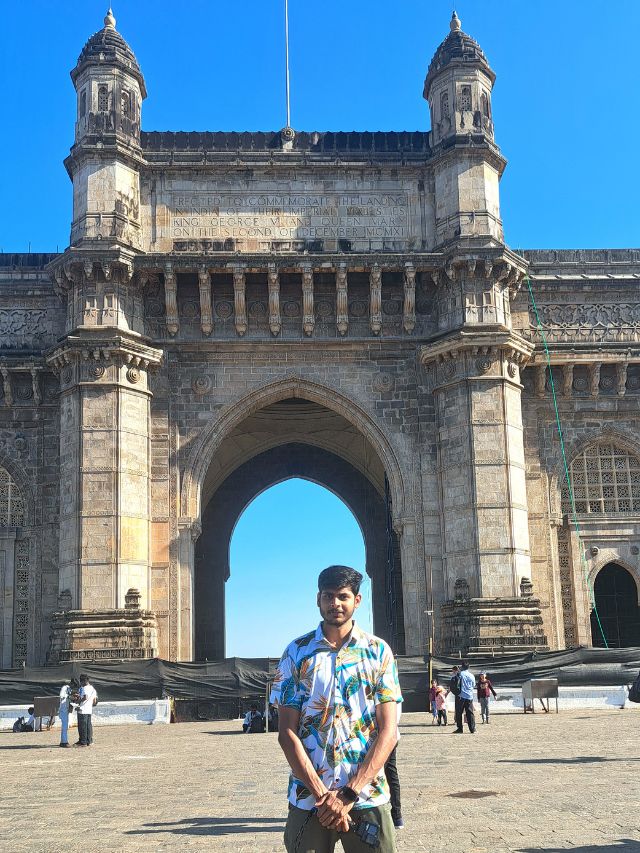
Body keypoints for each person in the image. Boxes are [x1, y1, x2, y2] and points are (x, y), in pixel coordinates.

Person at [271, 565, 401, 853]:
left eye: (343, 596)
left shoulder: (378, 652)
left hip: (366, 795)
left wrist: (349, 793)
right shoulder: (296, 653)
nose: (335, 604)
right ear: (318, 599)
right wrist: (324, 796)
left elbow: (389, 731)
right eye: (328, 596)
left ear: (357, 600)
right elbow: (286, 732)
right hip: (310, 799)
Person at [453, 661, 476, 734]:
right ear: (468, 667)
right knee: (470, 713)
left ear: (462, 666)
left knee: (459, 713)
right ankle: (472, 729)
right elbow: (473, 685)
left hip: (461, 696)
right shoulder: (472, 675)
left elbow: (456, 683)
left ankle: (460, 729)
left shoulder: (460, 674)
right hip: (469, 696)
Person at [76, 673, 97, 747]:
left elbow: (85, 697)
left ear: (83, 681)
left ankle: (83, 742)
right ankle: (89, 741)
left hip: (82, 709)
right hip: (89, 710)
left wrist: (78, 702)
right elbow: (94, 701)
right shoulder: (93, 689)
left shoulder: (84, 688)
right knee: (88, 725)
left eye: (81, 681)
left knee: (82, 726)